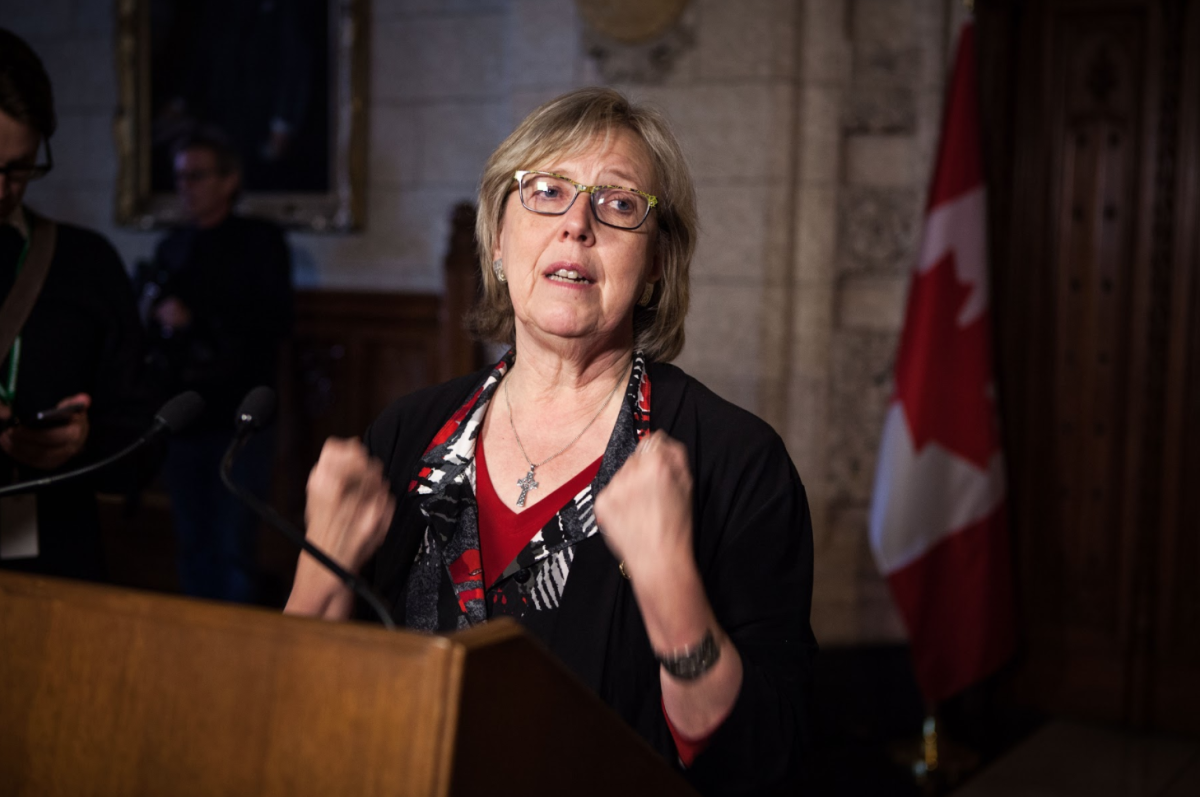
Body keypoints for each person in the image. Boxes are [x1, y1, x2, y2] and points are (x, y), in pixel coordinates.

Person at [285, 88, 815, 794]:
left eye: (619, 204)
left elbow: (765, 758)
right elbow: (294, 712)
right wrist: (321, 572)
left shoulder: (735, 462)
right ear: (498, 240)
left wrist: (669, 585)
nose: (577, 226)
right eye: (545, 192)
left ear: (656, 263)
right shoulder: (408, 434)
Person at [0, 28, 154, 582]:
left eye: (18, 168)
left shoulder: (85, 263)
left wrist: (86, 443)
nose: (1, 190)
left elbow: (141, 438)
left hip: (53, 568)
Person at [146, 127, 293, 603]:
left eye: (197, 176)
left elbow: (270, 320)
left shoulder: (259, 242)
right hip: (184, 412)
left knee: (234, 546)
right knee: (191, 541)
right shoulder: (173, 245)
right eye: (179, 177)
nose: (186, 187)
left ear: (229, 180)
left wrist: (198, 318)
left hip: (239, 414)